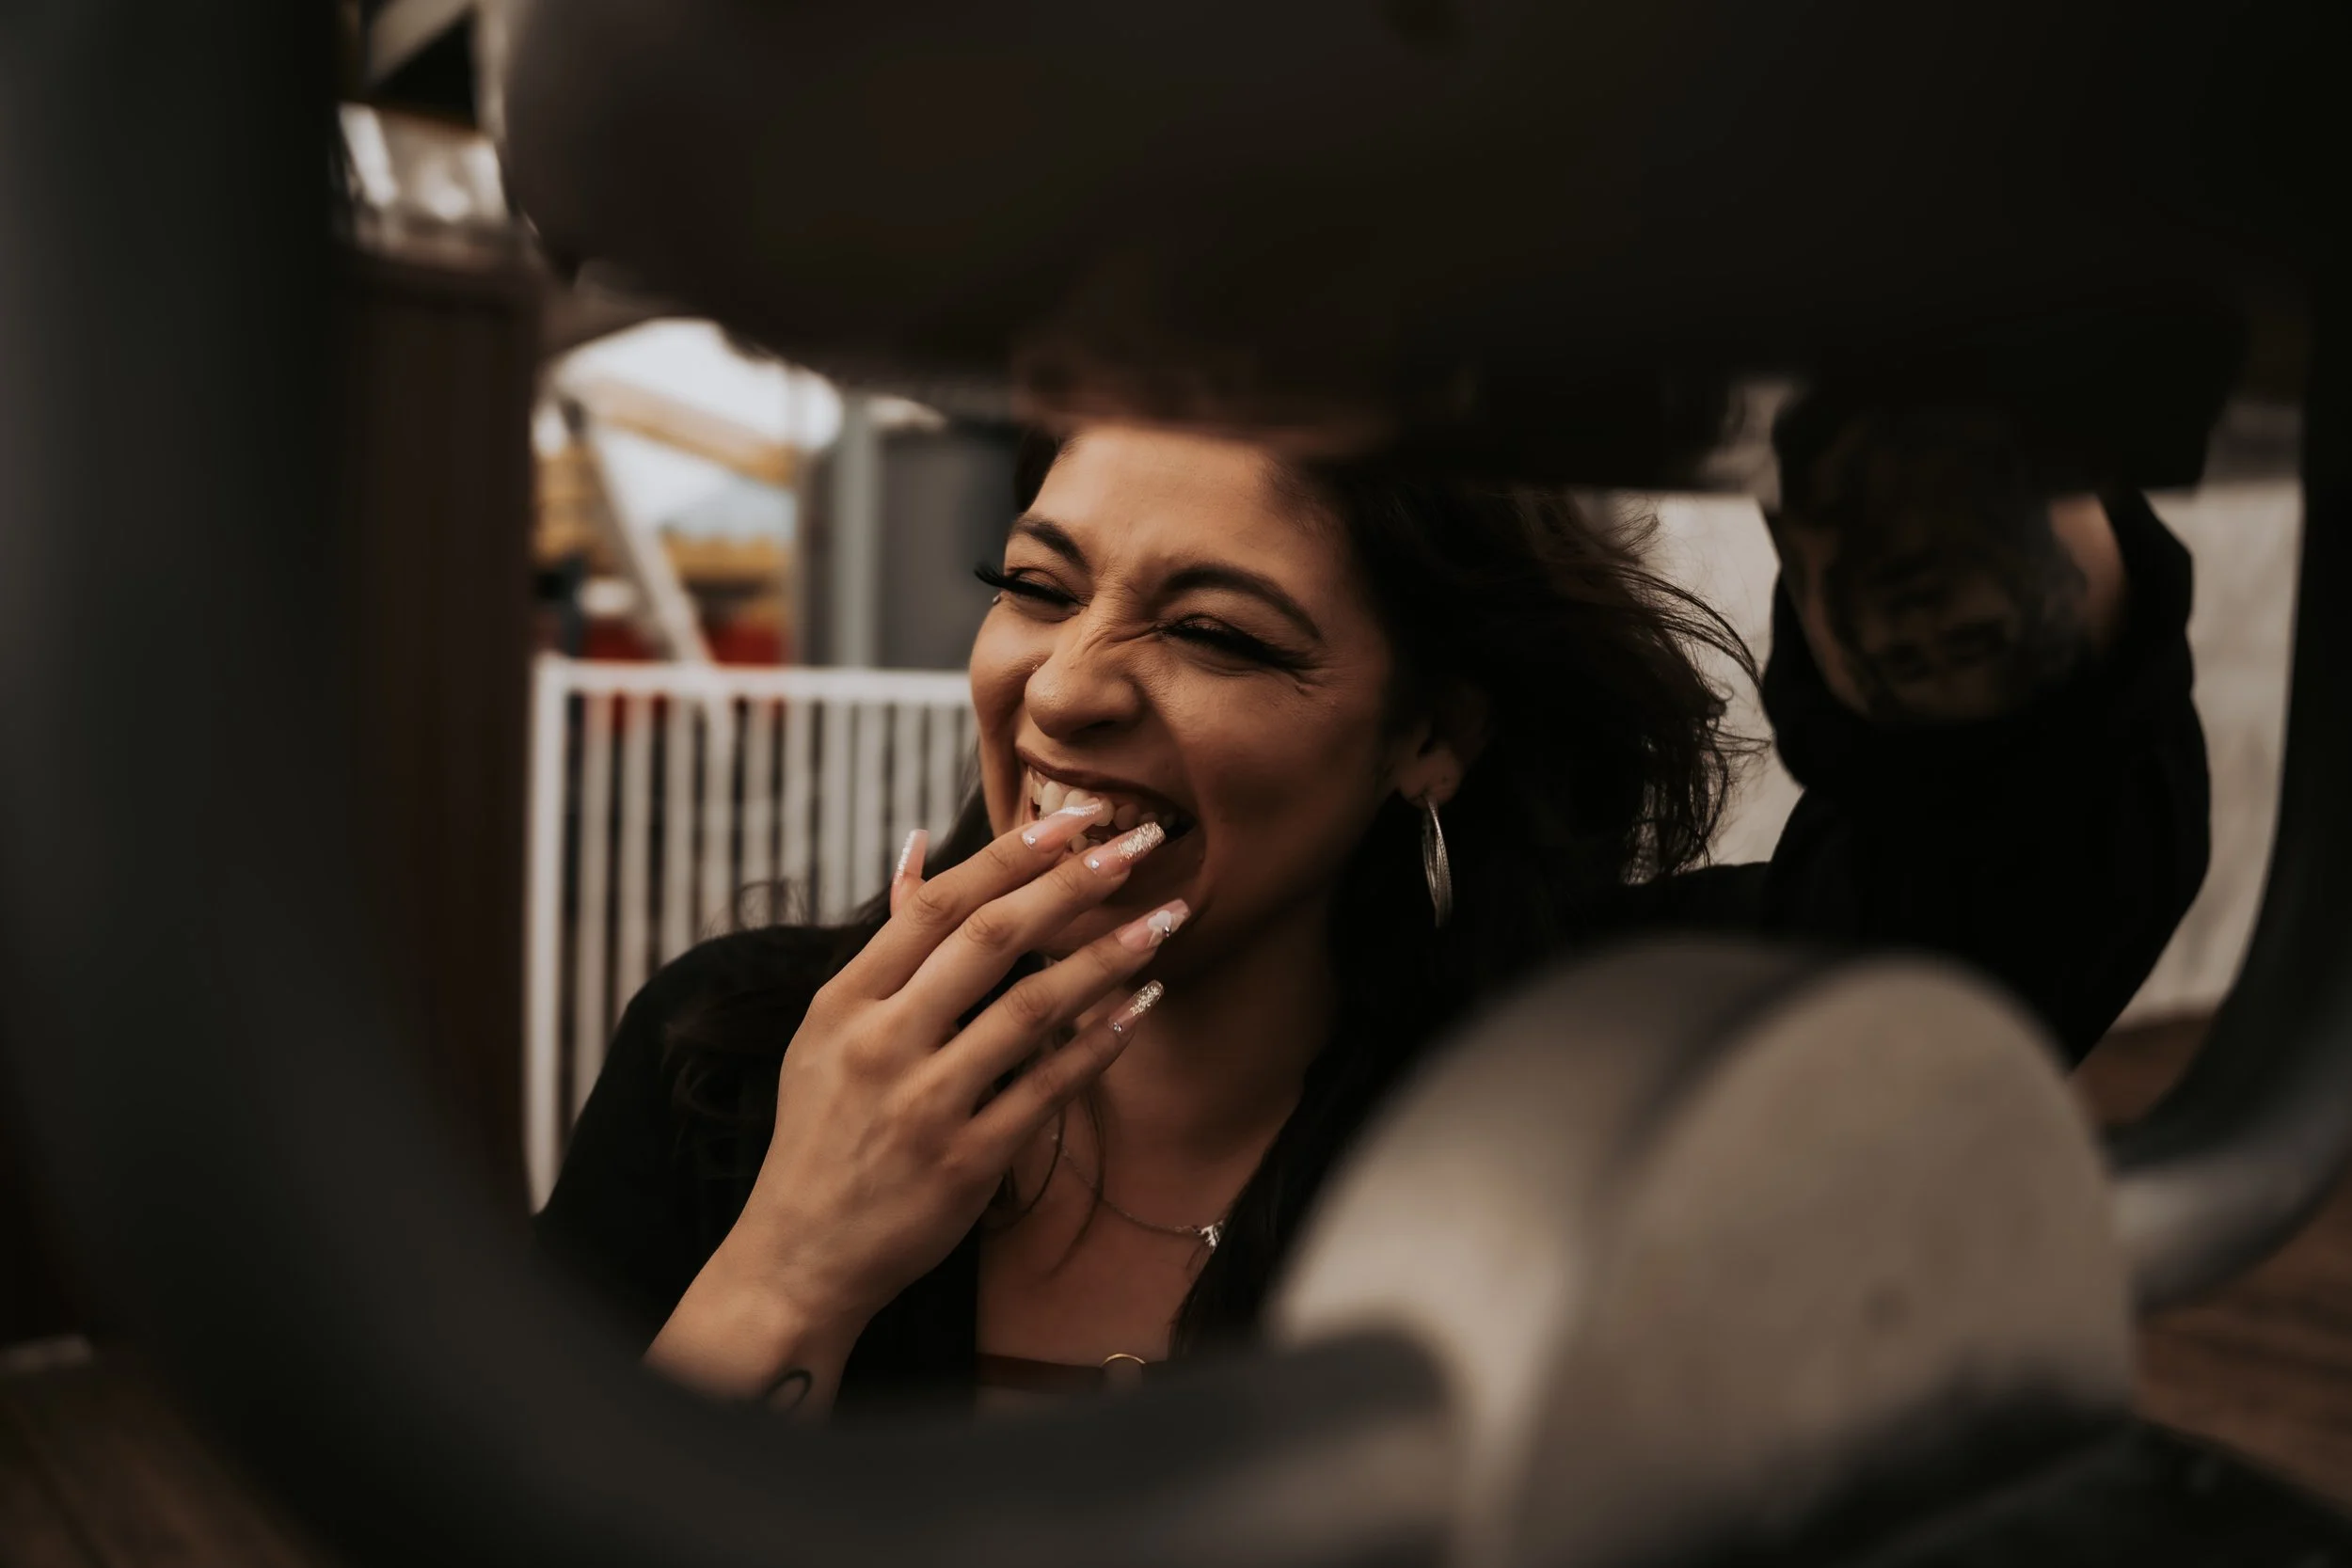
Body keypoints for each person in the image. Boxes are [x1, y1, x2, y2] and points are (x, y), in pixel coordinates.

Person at [534, 403, 2208, 1416]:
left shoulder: (1581, 1083)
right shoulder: (728, 1061)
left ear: (1431, 736)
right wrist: (798, 1257)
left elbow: (2013, 866)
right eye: (1038, 585)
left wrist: (1883, 416)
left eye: (1219, 632)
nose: (1068, 687)